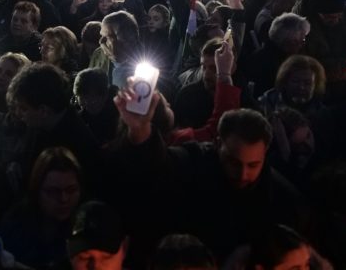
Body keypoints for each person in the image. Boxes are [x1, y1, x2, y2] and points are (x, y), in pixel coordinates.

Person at [114, 101, 308, 260]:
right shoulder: (194, 161)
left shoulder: (281, 196)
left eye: (253, 165)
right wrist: (140, 130)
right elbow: (160, 164)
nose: (242, 174)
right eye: (234, 162)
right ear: (217, 144)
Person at [0, 147, 84, 270]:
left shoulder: (85, 227)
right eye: (53, 191)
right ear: (37, 190)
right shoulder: (14, 227)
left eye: (71, 190)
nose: (64, 199)